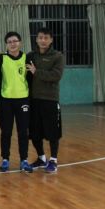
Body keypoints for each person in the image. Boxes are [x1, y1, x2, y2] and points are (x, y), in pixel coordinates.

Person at [26, 28, 65, 173]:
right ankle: (41, 158)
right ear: (36, 39)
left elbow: (56, 76)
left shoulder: (57, 56)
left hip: (50, 99)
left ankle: (53, 160)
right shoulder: (31, 56)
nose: (43, 40)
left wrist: (36, 72)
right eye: (40, 37)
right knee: (35, 132)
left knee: (52, 132)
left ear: (51, 40)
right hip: (33, 99)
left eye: (46, 38)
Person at [0, 31, 33, 173]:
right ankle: (5, 159)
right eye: (9, 42)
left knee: (23, 131)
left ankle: (24, 160)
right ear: (6, 44)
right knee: (6, 131)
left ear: (20, 42)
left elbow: (30, 78)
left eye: (15, 41)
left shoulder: (27, 58)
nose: (12, 44)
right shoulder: (1, 58)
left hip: (23, 99)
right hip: (6, 100)